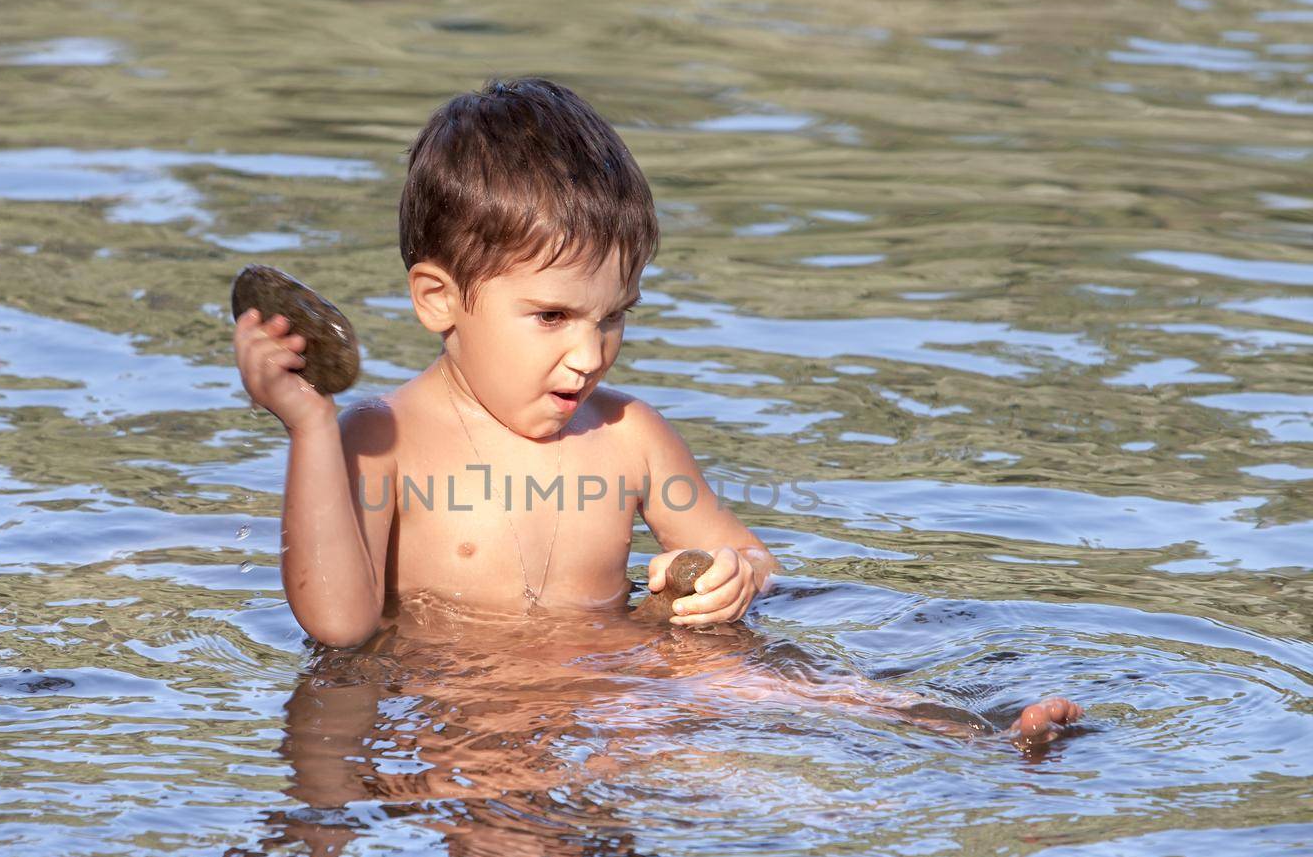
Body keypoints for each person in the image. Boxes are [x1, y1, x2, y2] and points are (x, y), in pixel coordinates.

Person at [234, 77, 1082, 746]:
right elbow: (340, 627)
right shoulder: (380, 442)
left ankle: (967, 737)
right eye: (552, 317)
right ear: (438, 298)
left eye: (615, 316)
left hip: (615, 679)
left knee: (801, 694)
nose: (590, 352)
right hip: (458, 704)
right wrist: (309, 428)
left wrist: (733, 575)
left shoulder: (628, 436)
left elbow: (735, 546)